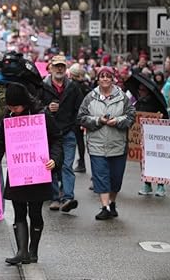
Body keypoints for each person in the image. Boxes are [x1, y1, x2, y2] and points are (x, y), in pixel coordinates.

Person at [0, 83, 62, 265]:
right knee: (19, 211)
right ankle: (21, 251)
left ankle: (33, 250)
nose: (12, 110)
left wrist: (54, 159)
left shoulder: (41, 116)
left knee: (35, 212)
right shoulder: (7, 117)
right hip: (18, 172)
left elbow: (56, 138)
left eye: (15, 106)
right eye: (9, 106)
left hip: (38, 172)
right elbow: (0, 143)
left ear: (24, 103)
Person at [78, 66, 135, 220]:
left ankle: (112, 202)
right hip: (97, 145)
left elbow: (131, 117)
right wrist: (98, 120)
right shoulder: (90, 97)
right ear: (98, 79)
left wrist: (117, 121)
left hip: (118, 145)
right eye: (101, 76)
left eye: (107, 76)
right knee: (101, 177)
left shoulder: (122, 97)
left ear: (112, 79)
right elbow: (81, 117)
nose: (104, 79)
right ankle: (105, 207)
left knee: (116, 178)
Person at [42, 55, 84, 212]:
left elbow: (79, 109)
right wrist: (47, 108)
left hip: (67, 132)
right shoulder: (43, 86)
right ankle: (54, 197)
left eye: (62, 66)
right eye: (57, 66)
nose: (59, 69)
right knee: (52, 165)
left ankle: (67, 198)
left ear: (66, 69)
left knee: (67, 166)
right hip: (49, 133)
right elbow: (36, 106)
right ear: (51, 67)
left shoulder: (73, 87)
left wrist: (75, 126)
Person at [69, 63, 92, 173]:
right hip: (83, 116)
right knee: (80, 141)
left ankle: (80, 162)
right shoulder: (85, 85)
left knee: (74, 141)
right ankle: (81, 161)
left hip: (75, 117)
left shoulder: (73, 86)